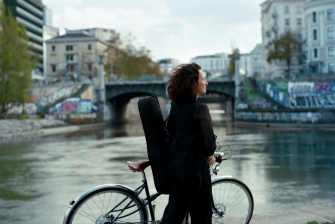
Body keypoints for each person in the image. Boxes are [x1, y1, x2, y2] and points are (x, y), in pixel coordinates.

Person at [161, 63, 217, 224]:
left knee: (174, 215)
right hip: (196, 174)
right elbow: (209, 144)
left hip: (176, 171)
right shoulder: (200, 109)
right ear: (193, 83)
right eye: (203, 79)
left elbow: (171, 133)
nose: (206, 83)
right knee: (201, 217)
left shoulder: (176, 107)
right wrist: (209, 155)